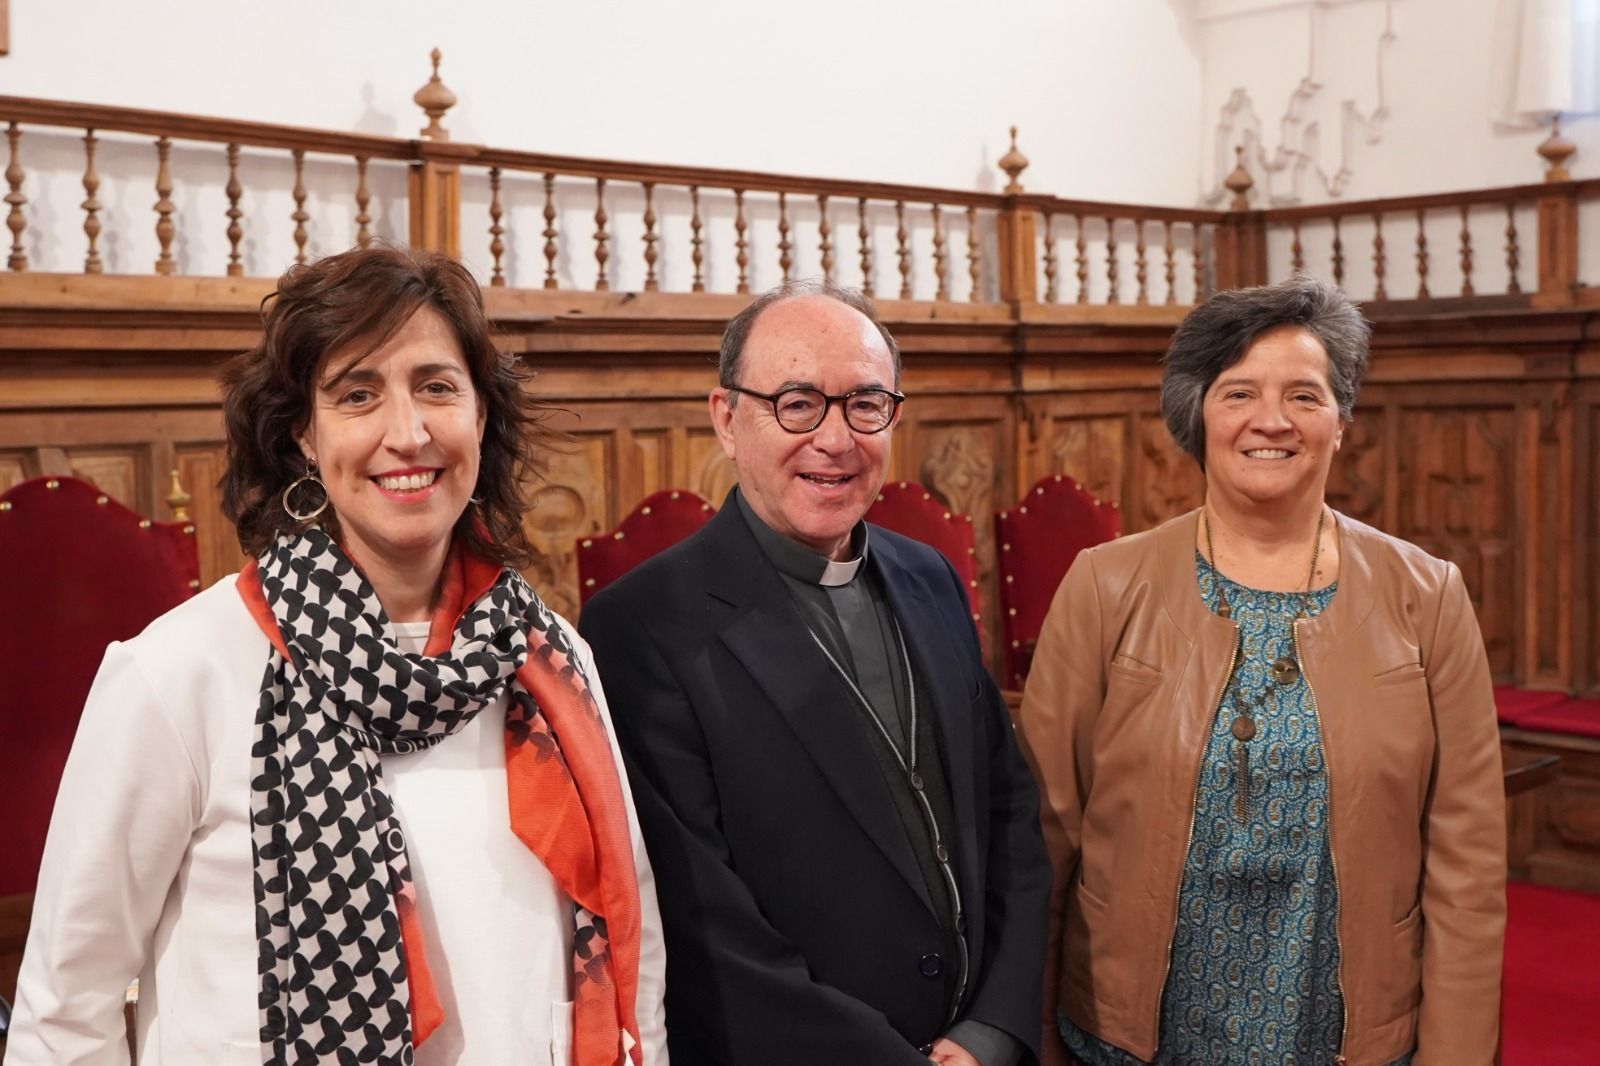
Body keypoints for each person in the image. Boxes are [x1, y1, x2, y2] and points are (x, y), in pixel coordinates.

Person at [6, 246, 667, 1066]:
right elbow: (66, 1013)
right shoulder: (181, 673)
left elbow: (634, 951)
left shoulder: (551, 657)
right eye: (359, 394)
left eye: (437, 386)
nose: (409, 432)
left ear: (482, 416)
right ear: (303, 437)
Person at [1017, 275, 1505, 1066]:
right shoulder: (1106, 586)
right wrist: (1027, 1035)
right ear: (1197, 415)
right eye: (1239, 392)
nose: (1271, 421)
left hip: (1346, 1036)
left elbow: (1467, 869)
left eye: (1306, 396)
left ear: (1341, 422)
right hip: (1131, 1033)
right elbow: (1043, 838)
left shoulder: (1428, 596)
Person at [579, 281, 1050, 1066]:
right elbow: (700, 926)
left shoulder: (929, 575)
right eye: (797, 403)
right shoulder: (643, 626)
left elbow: (1008, 812)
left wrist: (994, 1029)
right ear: (727, 419)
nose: (835, 439)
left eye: (866, 404)